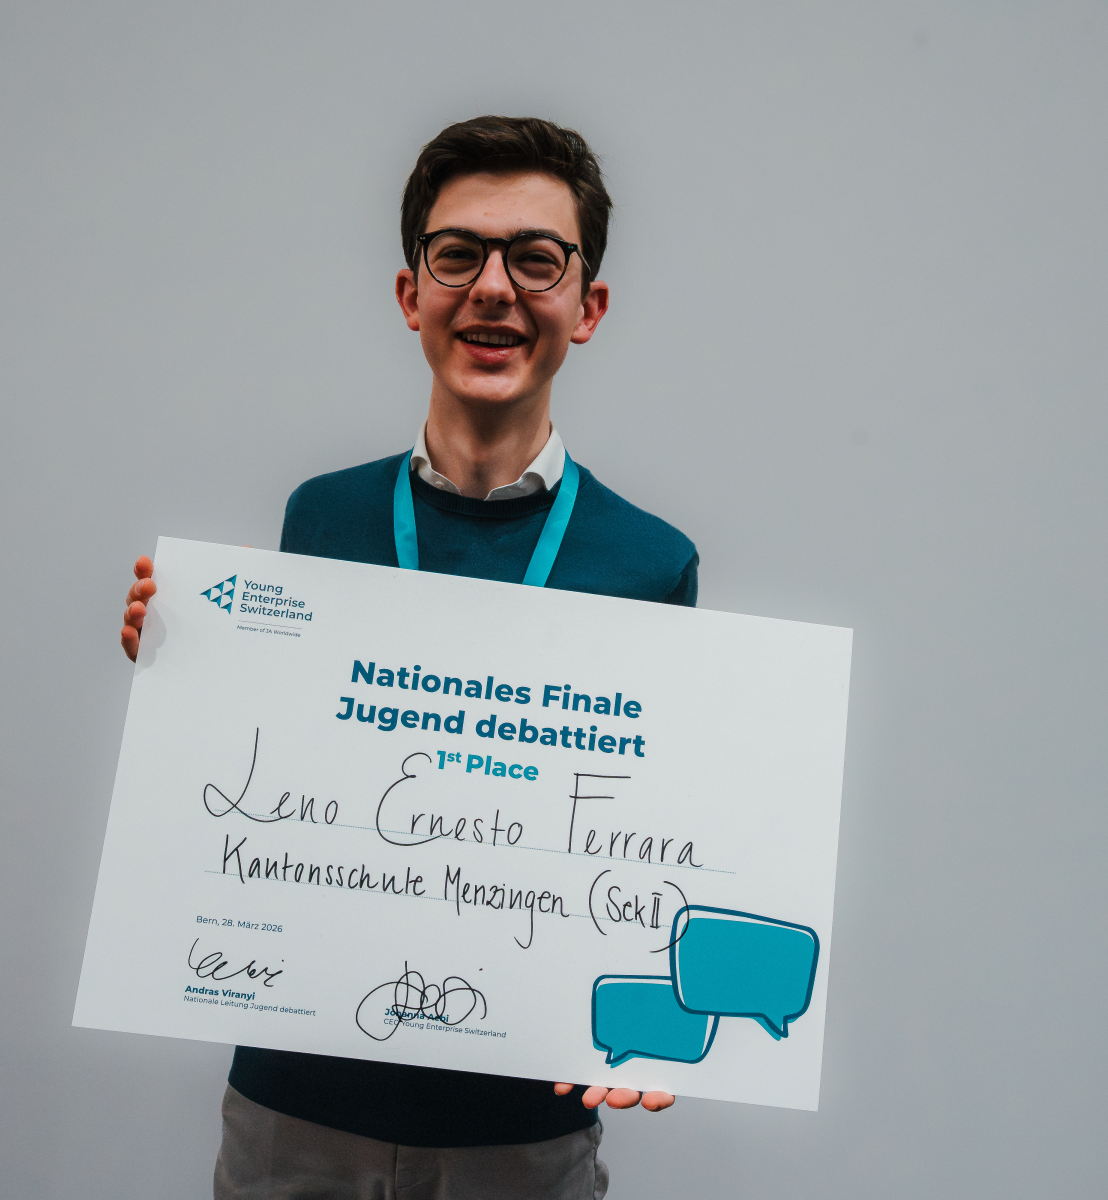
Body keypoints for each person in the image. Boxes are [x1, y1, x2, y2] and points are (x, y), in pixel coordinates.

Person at [119, 115, 698, 1200]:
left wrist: (660, 1021)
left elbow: (659, 841)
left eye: (537, 259)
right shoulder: (321, 518)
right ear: (410, 293)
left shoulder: (650, 564)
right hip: (297, 1105)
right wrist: (187, 678)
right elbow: (271, 781)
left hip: (520, 1129)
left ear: (588, 307)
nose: (494, 288)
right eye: (458, 254)